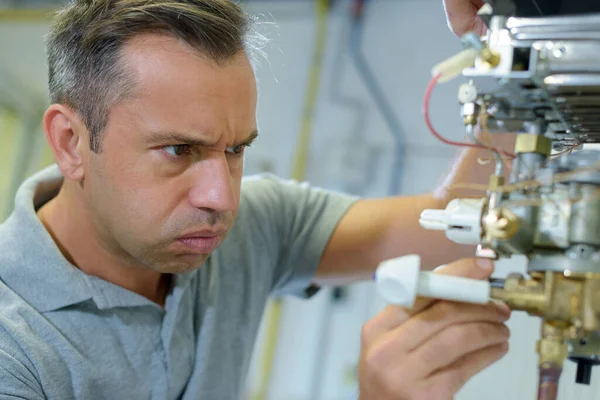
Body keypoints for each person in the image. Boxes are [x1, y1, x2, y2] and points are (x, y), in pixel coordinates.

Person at [0, 1, 514, 399]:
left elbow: (448, 222)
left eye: (236, 150)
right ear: (70, 141)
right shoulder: (14, 346)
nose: (222, 196)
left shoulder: (249, 224)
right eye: (178, 150)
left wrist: (514, 57)